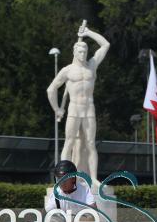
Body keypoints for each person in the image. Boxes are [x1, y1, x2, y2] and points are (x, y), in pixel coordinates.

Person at [46, 23, 110, 182]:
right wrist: (57, 109)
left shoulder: (92, 66)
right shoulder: (67, 70)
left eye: (85, 51)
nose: (83, 54)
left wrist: (88, 32)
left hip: (89, 109)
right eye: (80, 51)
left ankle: (94, 178)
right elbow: (51, 89)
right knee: (69, 143)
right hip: (74, 109)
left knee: (90, 144)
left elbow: (105, 44)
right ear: (74, 52)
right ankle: (63, 176)